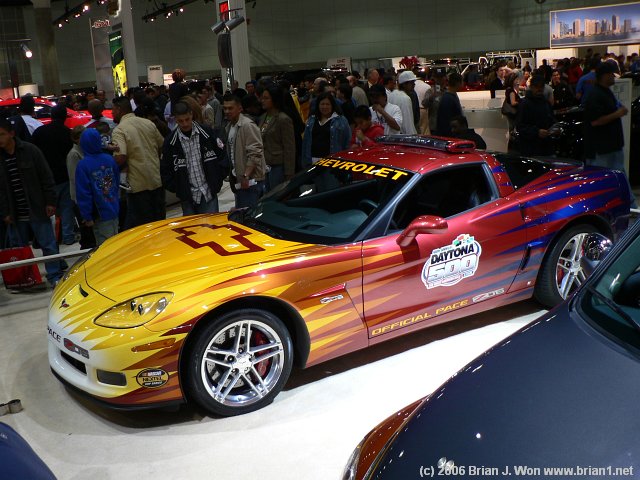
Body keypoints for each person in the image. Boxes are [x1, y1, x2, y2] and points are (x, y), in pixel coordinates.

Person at [0, 118, 64, 287]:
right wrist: (5, 212)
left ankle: (55, 276)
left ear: (12, 134)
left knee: (48, 245)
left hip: (37, 208)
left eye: (2, 134)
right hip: (15, 213)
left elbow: (46, 177)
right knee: (20, 250)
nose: (0, 139)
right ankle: (26, 279)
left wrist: (50, 202)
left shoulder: (30, 150)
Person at [161, 101, 228, 216]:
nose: (185, 124)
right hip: (187, 196)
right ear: (175, 119)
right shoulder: (170, 142)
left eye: (187, 119)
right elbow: (165, 170)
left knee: (211, 226)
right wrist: (179, 188)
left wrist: (217, 179)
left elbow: (222, 156)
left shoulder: (207, 133)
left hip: (208, 192)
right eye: (181, 121)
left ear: (191, 114)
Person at [584, 61, 636, 208]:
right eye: (611, 74)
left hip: (612, 147)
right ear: (604, 76)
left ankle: (630, 207)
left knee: (619, 180)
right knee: (602, 184)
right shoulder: (595, 95)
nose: (614, 77)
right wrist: (617, 114)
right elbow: (595, 121)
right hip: (602, 150)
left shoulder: (606, 92)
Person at [110, 96, 165, 230]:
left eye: (113, 109)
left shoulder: (119, 130)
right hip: (156, 182)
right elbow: (162, 145)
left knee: (143, 229)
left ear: (119, 109)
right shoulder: (148, 123)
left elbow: (120, 157)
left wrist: (108, 160)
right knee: (160, 226)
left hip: (137, 187)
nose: (112, 113)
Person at [32, 104, 76, 245]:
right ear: (64, 117)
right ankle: (68, 236)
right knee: (66, 208)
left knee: (45, 210)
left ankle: (46, 239)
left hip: (44, 179)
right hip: (64, 176)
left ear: (51, 116)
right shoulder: (67, 133)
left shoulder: (39, 132)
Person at [75, 128, 120, 245]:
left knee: (105, 246)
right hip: (114, 207)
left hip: (99, 213)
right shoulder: (109, 159)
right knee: (116, 242)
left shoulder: (83, 165)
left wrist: (87, 215)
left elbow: (83, 193)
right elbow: (117, 181)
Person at [222, 94, 267, 209]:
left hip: (251, 180)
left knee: (250, 214)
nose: (227, 111)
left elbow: (255, 152)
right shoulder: (229, 126)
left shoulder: (247, 125)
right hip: (239, 179)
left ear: (240, 108)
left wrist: (246, 175)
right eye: (225, 108)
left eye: (230, 108)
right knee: (242, 212)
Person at [258, 84, 296, 191]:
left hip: (278, 166)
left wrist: (289, 172)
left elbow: (289, 148)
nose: (262, 101)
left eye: (266, 98)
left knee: (277, 193)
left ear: (274, 99)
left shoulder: (283, 119)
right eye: (262, 98)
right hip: (264, 164)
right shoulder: (262, 117)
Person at [301, 92, 351, 167]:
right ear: (318, 105)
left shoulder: (341, 120)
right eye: (322, 104)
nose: (324, 107)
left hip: (333, 162)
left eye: (327, 104)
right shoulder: (311, 120)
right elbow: (305, 142)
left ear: (332, 105)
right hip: (312, 161)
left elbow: (347, 142)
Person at [66, 125, 96, 249]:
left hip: (89, 196)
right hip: (80, 198)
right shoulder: (74, 154)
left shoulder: (86, 152)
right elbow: (75, 178)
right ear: (76, 139)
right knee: (87, 233)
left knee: (91, 232)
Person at [515, 75, 556, 157]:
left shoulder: (545, 103)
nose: (539, 89)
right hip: (530, 148)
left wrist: (554, 128)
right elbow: (520, 126)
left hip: (545, 146)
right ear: (532, 87)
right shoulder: (524, 104)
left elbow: (551, 119)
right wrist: (536, 132)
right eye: (536, 87)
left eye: (541, 87)